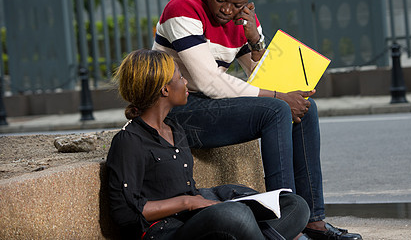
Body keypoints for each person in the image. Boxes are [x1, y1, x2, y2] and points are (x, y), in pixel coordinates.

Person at [153, 0, 362, 240]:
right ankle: (287, 225)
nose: (227, 9)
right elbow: (209, 82)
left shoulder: (242, 19)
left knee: (305, 109)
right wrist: (280, 98)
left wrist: (254, 40)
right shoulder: (184, 10)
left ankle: (313, 222)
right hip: (176, 112)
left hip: (211, 106)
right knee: (277, 110)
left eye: (237, 4)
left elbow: (261, 77)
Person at [106, 48, 311, 240]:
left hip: (195, 218)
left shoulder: (174, 129)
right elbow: (125, 213)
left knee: (295, 205)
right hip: (167, 230)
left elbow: (188, 189)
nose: (186, 82)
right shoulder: (129, 141)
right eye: (180, 77)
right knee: (234, 216)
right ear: (165, 90)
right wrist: (187, 202)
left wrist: (205, 200)